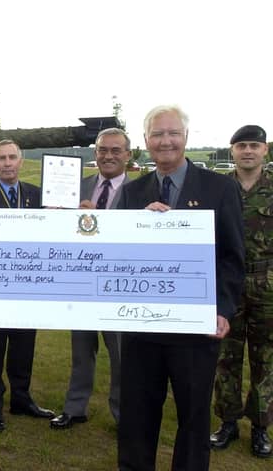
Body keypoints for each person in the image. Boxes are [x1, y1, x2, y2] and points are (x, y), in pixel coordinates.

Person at [116, 105, 245, 471]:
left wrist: (222, 308)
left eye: (172, 133)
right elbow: (118, 255)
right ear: (145, 142)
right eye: (157, 134)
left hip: (195, 328)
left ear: (186, 137)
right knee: (137, 418)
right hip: (142, 329)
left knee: (192, 419)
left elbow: (233, 257)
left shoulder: (220, 187)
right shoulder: (132, 192)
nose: (166, 140)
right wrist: (139, 229)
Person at [0, 139, 54, 432]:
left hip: (28, 286)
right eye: (1, 158)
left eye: (12, 157)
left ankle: (21, 398)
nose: (7, 163)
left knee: (24, 346)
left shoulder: (37, 195)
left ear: (22, 160)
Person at [51, 128, 130, 430]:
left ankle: (123, 415)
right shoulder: (76, 187)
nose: (108, 156)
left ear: (127, 155)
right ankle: (75, 408)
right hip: (81, 283)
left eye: (115, 150)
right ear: (94, 153)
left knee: (121, 355)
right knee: (81, 350)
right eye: (102, 150)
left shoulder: (139, 192)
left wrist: (103, 219)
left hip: (117, 286)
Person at [211, 124, 273, 458]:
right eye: (241, 146)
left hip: (268, 286)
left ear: (265, 150)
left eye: (254, 145)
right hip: (228, 284)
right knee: (227, 357)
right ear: (232, 151)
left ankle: (261, 428)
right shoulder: (219, 189)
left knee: (266, 359)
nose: (247, 151)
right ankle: (228, 422)